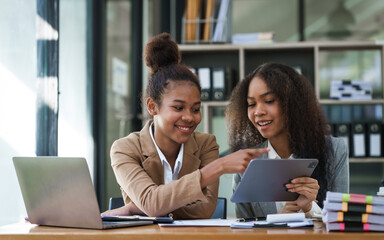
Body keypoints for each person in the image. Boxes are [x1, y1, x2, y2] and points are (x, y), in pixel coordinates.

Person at [101, 32, 269, 219]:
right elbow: (151, 204)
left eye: (196, 109)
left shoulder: (207, 144)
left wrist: (136, 208)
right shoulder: (125, 148)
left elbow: (205, 210)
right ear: (152, 106)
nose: (189, 117)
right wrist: (219, 166)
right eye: (178, 107)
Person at [226, 62, 349, 218]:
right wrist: (277, 221)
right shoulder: (246, 162)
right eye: (251, 104)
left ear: (293, 103)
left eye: (269, 101)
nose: (258, 112)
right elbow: (243, 231)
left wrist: (309, 209)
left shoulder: (335, 150)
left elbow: (341, 222)